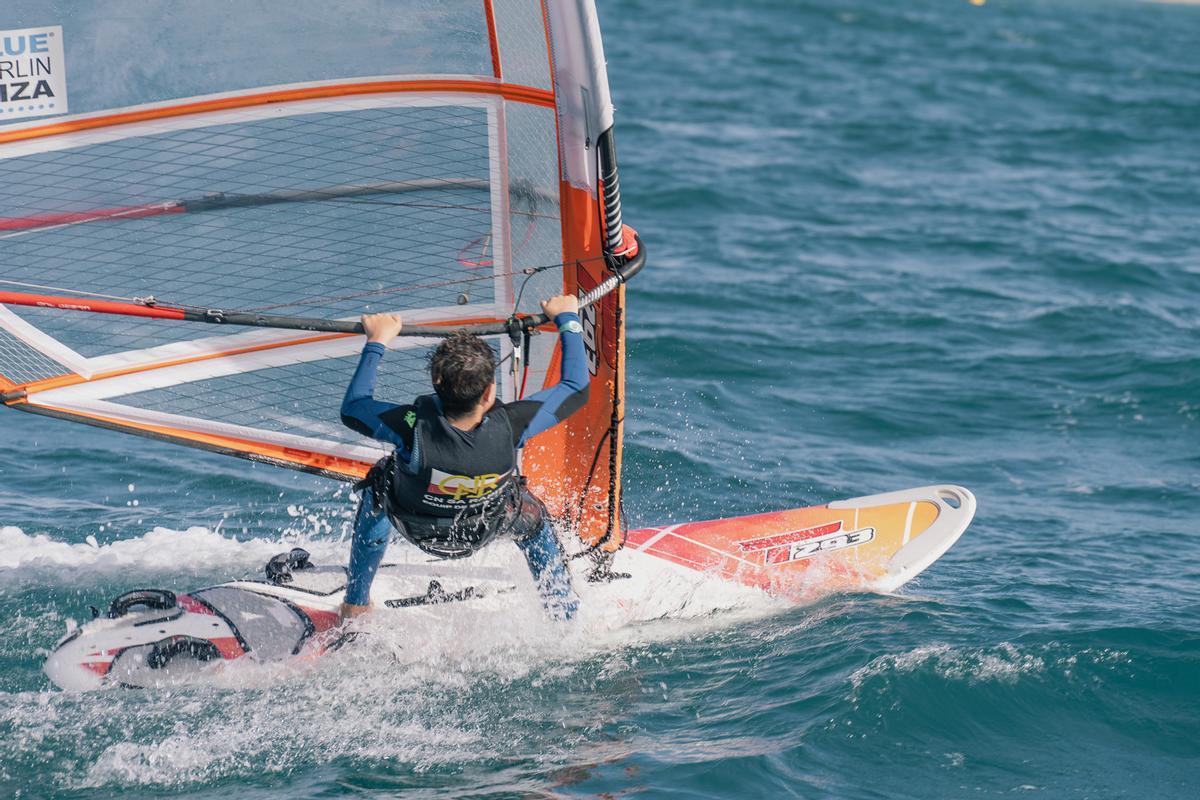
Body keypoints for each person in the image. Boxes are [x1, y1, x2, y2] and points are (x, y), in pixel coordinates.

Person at [338, 295, 587, 622]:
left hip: (413, 524)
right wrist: (567, 318)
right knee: (533, 519)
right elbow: (576, 386)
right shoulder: (513, 424)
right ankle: (563, 614)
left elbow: (354, 408)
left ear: (436, 383)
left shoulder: (409, 425)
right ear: (489, 393)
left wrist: (377, 341)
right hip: (485, 526)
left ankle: (355, 604)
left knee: (377, 488)